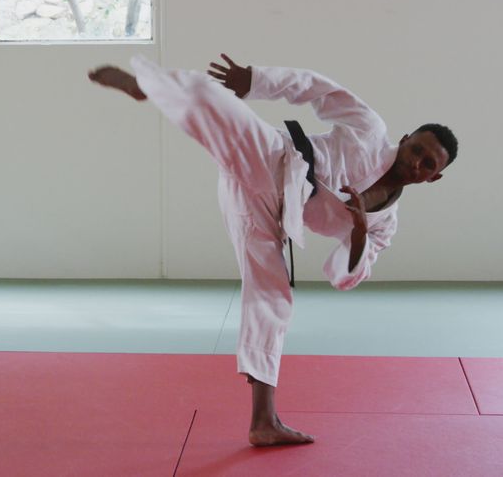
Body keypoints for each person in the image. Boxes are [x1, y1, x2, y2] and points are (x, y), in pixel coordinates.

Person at [88, 54, 458, 447]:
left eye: (427, 163)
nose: (416, 162)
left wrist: (361, 232)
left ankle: (264, 422)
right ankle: (149, 87)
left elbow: (346, 276)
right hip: (275, 159)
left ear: (434, 177)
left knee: (272, 299)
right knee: (214, 97)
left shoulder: (385, 223)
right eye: (416, 148)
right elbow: (319, 87)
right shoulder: (370, 129)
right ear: (404, 140)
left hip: (269, 215)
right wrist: (256, 80)